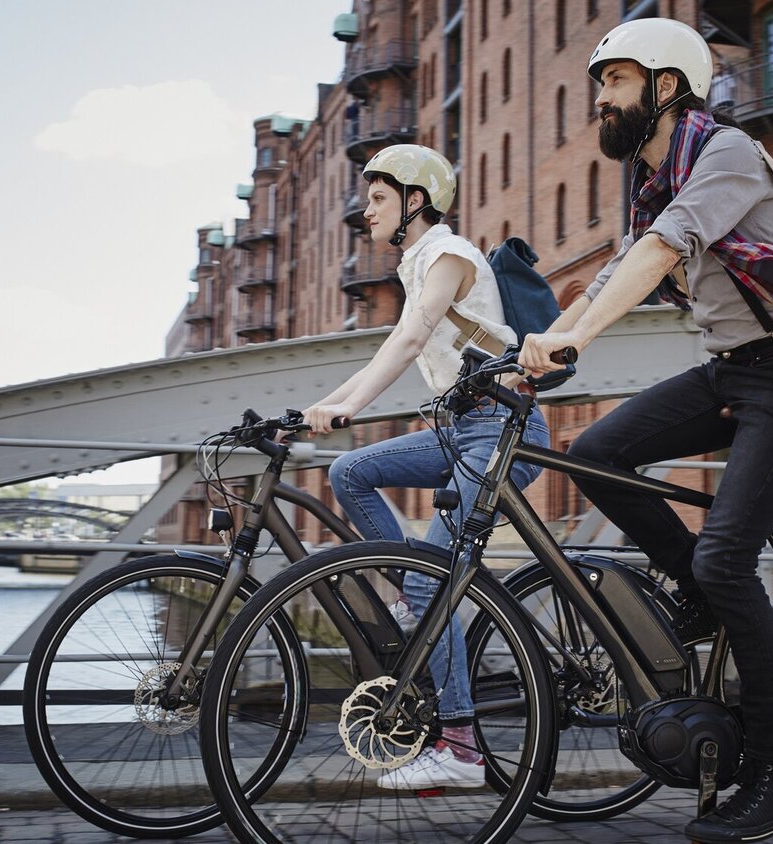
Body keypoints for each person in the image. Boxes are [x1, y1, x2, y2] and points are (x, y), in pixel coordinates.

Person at [519, 18, 773, 844]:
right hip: (737, 367)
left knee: (727, 553)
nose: (601, 99)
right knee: (596, 452)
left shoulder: (727, 155)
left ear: (667, 87)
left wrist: (577, 341)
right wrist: (536, 343)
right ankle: (702, 595)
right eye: (602, 84)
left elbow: (662, 254)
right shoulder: (656, 173)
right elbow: (613, 268)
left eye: (616, 82)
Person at [303, 143, 550, 789]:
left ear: (417, 201)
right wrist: (322, 407)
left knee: (429, 580)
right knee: (350, 473)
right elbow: (397, 342)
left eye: (380, 198)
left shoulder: (448, 255)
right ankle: (416, 601)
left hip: (500, 434)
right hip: (461, 429)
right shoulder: (419, 262)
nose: (368, 211)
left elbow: (409, 339)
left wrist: (350, 406)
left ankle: (463, 750)